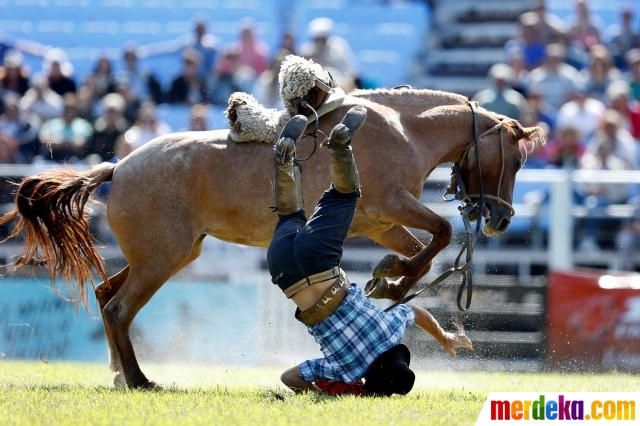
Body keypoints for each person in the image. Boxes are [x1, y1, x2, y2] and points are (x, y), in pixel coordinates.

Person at [268, 108, 472, 396]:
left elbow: (415, 311)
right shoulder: (344, 370)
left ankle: (340, 146)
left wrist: (445, 338)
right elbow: (289, 377)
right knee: (289, 214)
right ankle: (283, 161)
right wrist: (321, 395)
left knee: (346, 193)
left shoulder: (391, 331)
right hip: (283, 271)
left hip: (320, 265)